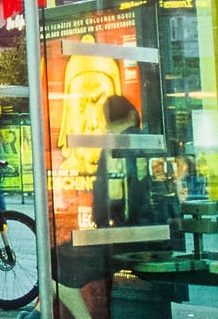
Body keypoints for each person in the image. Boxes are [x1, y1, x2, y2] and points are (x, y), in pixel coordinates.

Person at [48, 95, 151, 319]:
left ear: (107, 120)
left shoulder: (113, 148)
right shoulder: (148, 142)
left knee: (53, 261)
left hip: (125, 240)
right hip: (155, 236)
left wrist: (99, 228)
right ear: (133, 115)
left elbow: (104, 205)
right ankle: (36, 315)